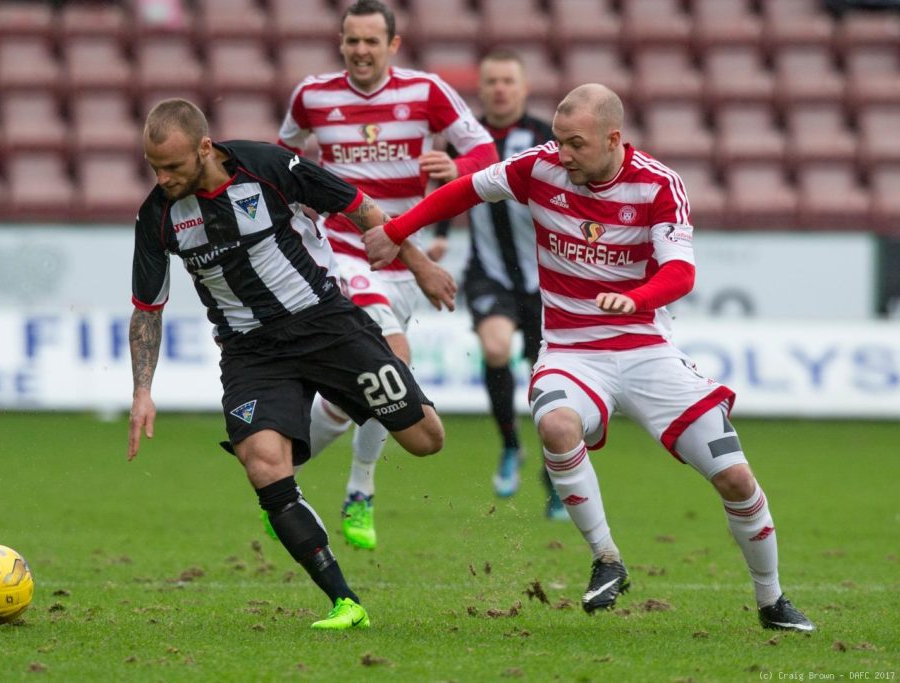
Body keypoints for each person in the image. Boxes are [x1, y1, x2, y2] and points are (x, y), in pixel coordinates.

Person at [361, 84, 815, 632]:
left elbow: (681, 272)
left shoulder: (658, 184)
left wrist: (637, 298)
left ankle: (772, 601)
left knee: (736, 480)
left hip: (647, 350)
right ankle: (607, 560)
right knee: (555, 425)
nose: (563, 154)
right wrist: (396, 229)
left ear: (613, 138)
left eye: (575, 143)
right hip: (573, 351)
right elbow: (464, 191)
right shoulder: (538, 168)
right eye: (558, 141)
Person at [127, 98, 456, 630]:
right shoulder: (157, 217)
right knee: (263, 464)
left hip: (327, 326)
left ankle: (339, 439)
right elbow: (147, 311)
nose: (162, 178)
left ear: (204, 149)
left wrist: (417, 264)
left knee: (426, 440)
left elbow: (359, 205)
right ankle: (344, 601)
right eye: (154, 168)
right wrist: (142, 391)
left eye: (173, 167)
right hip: (251, 352)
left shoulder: (269, 166)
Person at [277, 0, 498, 550]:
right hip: (342, 249)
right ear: (341, 42)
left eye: (372, 41)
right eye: (352, 41)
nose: (360, 51)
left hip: (403, 251)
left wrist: (457, 167)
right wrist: (297, 211)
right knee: (393, 363)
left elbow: (485, 152)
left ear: (393, 45)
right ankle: (360, 492)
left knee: (360, 391)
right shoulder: (312, 96)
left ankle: (284, 482)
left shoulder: (427, 92)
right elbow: (282, 159)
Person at [431, 49, 567, 520]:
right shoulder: (466, 140)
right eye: (491, 81)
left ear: (524, 87)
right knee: (494, 349)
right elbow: (446, 190)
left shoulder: (547, 138)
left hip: (545, 278)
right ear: (481, 88)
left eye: (509, 80)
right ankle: (511, 446)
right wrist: (443, 238)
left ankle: (555, 475)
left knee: (547, 379)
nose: (500, 89)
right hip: (488, 270)